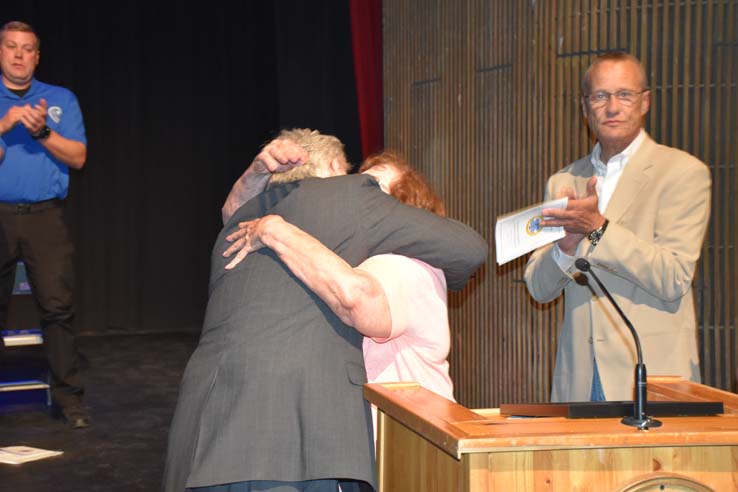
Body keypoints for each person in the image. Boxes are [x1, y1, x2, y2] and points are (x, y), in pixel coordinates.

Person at [163, 129, 487, 492]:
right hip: (294, 439)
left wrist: (260, 186)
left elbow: (230, 209)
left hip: (203, 435)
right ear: (336, 167)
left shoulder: (240, 221)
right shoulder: (351, 198)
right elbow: (469, 250)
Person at [524, 52, 711, 402]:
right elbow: (538, 287)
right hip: (579, 378)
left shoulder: (683, 172)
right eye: (600, 96)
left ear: (645, 102)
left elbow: (673, 277)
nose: (612, 107)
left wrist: (598, 228)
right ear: (585, 108)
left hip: (651, 376)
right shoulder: (564, 181)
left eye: (624, 94)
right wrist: (564, 250)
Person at [223, 150, 457, 424]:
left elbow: (356, 298)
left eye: (374, 193)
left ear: (404, 212)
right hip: (383, 436)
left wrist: (275, 230)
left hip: (415, 442)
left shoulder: (408, 267)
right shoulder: (346, 262)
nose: (353, 198)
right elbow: (235, 220)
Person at [0, 21, 88, 428]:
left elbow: (78, 157)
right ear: (1, 52)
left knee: (58, 309)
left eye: (27, 48)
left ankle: (69, 400)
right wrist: (5, 124)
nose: (19, 55)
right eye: (11, 46)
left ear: (37, 56)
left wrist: (41, 130)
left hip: (44, 216)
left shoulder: (60, 99)